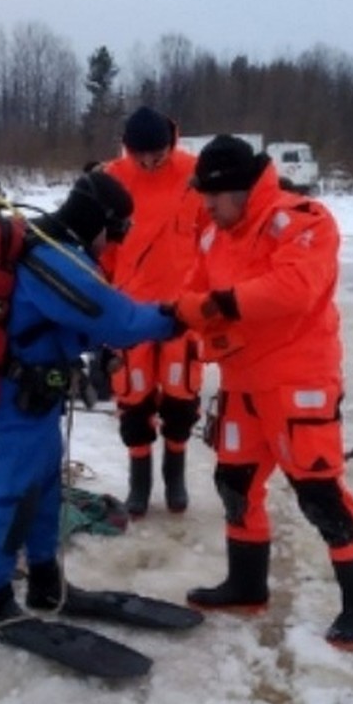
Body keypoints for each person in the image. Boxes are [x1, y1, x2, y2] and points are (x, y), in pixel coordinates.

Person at [174, 134, 353, 650]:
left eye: (214, 197)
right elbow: (194, 293)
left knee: (320, 495)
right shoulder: (214, 235)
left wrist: (217, 306)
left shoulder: (304, 220)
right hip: (242, 383)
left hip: (298, 384)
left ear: (240, 189)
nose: (207, 207)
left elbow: (293, 289)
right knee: (235, 484)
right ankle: (246, 585)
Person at [0, 170, 181, 629]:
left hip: (38, 396)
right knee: (10, 495)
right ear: (100, 223)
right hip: (15, 399)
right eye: (118, 232)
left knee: (45, 488)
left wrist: (96, 346)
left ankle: (45, 579)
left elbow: (74, 319)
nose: (116, 244)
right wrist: (175, 317)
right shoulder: (51, 259)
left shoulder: (55, 251)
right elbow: (117, 318)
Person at [97, 106, 208, 517]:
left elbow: (212, 240)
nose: (147, 162)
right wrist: (101, 295)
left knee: (181, 396)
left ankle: (174, 476)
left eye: (155, 154)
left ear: (170, 144)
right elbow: (101, 248)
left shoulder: (194, 175)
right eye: (138, 154)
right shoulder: (112, 178)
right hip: (129, 311)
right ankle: (139, 482)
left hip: (183, 308)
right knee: (134, 396)